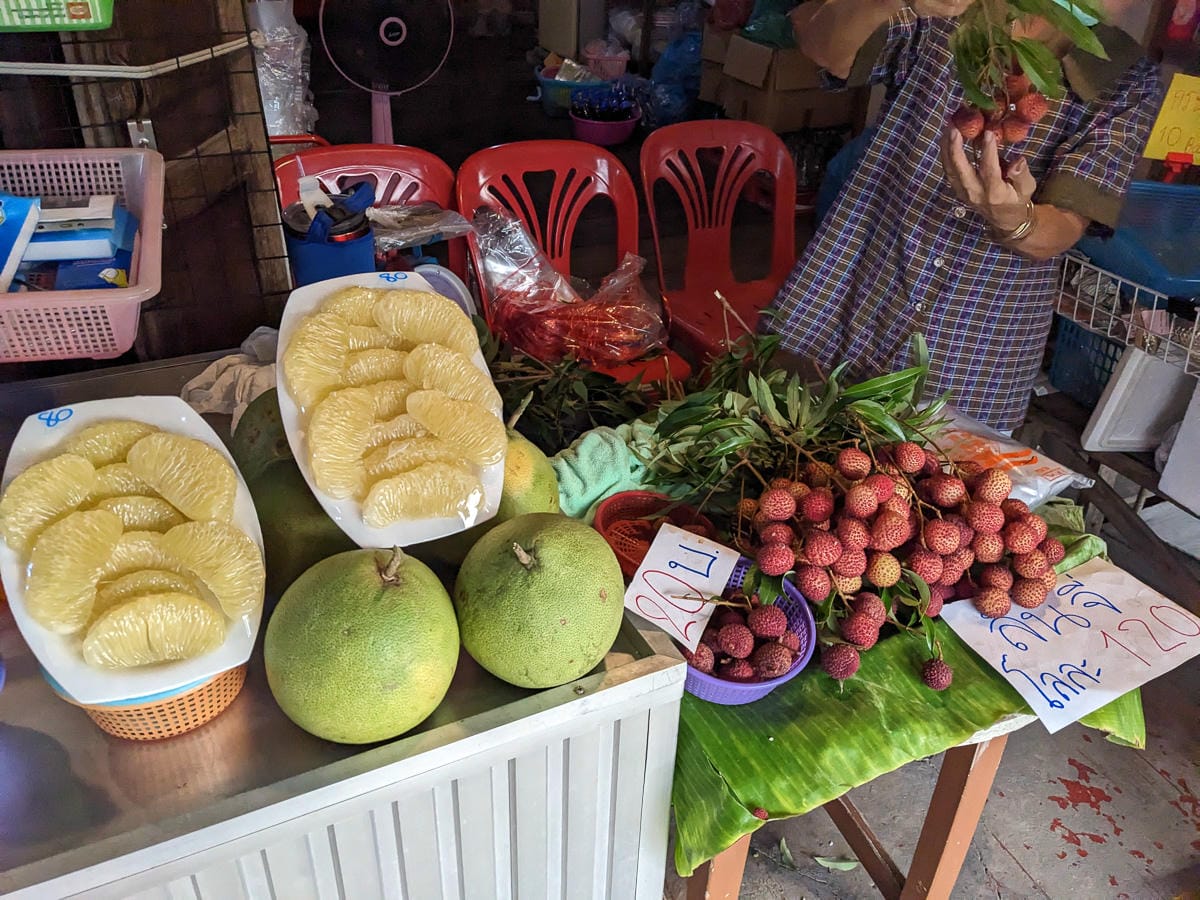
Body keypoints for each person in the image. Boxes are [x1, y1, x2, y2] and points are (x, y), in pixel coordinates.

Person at [765, 0, 1161, 431]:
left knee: (929, 489)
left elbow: (1065, 223)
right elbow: (825, 47)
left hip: (975, 348)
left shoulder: (1123, 74)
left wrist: (1015, 219)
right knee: (782, 452)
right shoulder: (951, 12)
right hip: (849, 297)